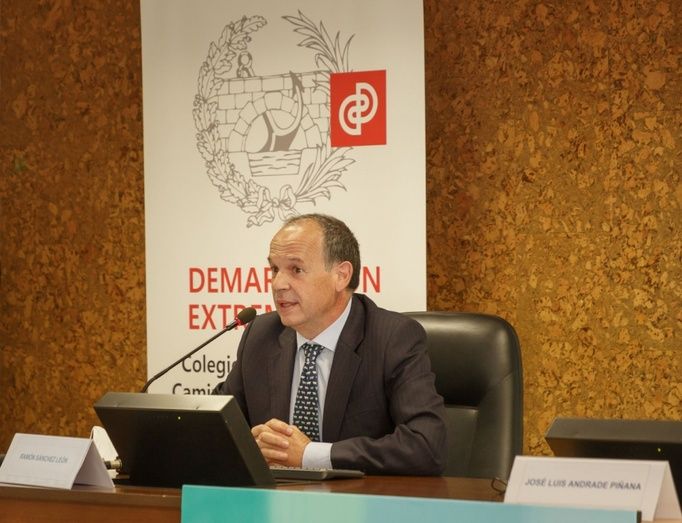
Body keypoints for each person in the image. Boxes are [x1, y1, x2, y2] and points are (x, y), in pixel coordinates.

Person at [214, 213, 447, 475]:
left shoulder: (392, 338)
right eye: (274, 270)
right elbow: (216, 426)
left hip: (358, 499)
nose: (278, 284)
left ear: (341, 275)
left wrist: (309, 455)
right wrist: (247, 444)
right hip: (274, 497)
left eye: (296, 269)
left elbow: (425, 446)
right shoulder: (261, 335)